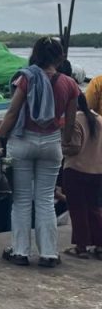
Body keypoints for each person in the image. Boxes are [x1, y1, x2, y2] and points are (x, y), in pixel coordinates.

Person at [0, 36, 79, 268]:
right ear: (60, 57)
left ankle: (20, 252)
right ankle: (48, 254)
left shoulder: (26, 78)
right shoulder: (70, 84)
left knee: (21, 199)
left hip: (23, 141)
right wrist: (65, 142)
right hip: (51, 142)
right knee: (46, 200)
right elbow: (70, 121)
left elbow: (12, 112)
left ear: (36, 55)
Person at [60, 93, 102, 259]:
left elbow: (74, 147)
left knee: (78, 209)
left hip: (75, 170)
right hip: (97, 171)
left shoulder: (74, 120)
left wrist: (60, 148)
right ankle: (99, 245)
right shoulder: (99, 119)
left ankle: (81, 247)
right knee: (94, 208)